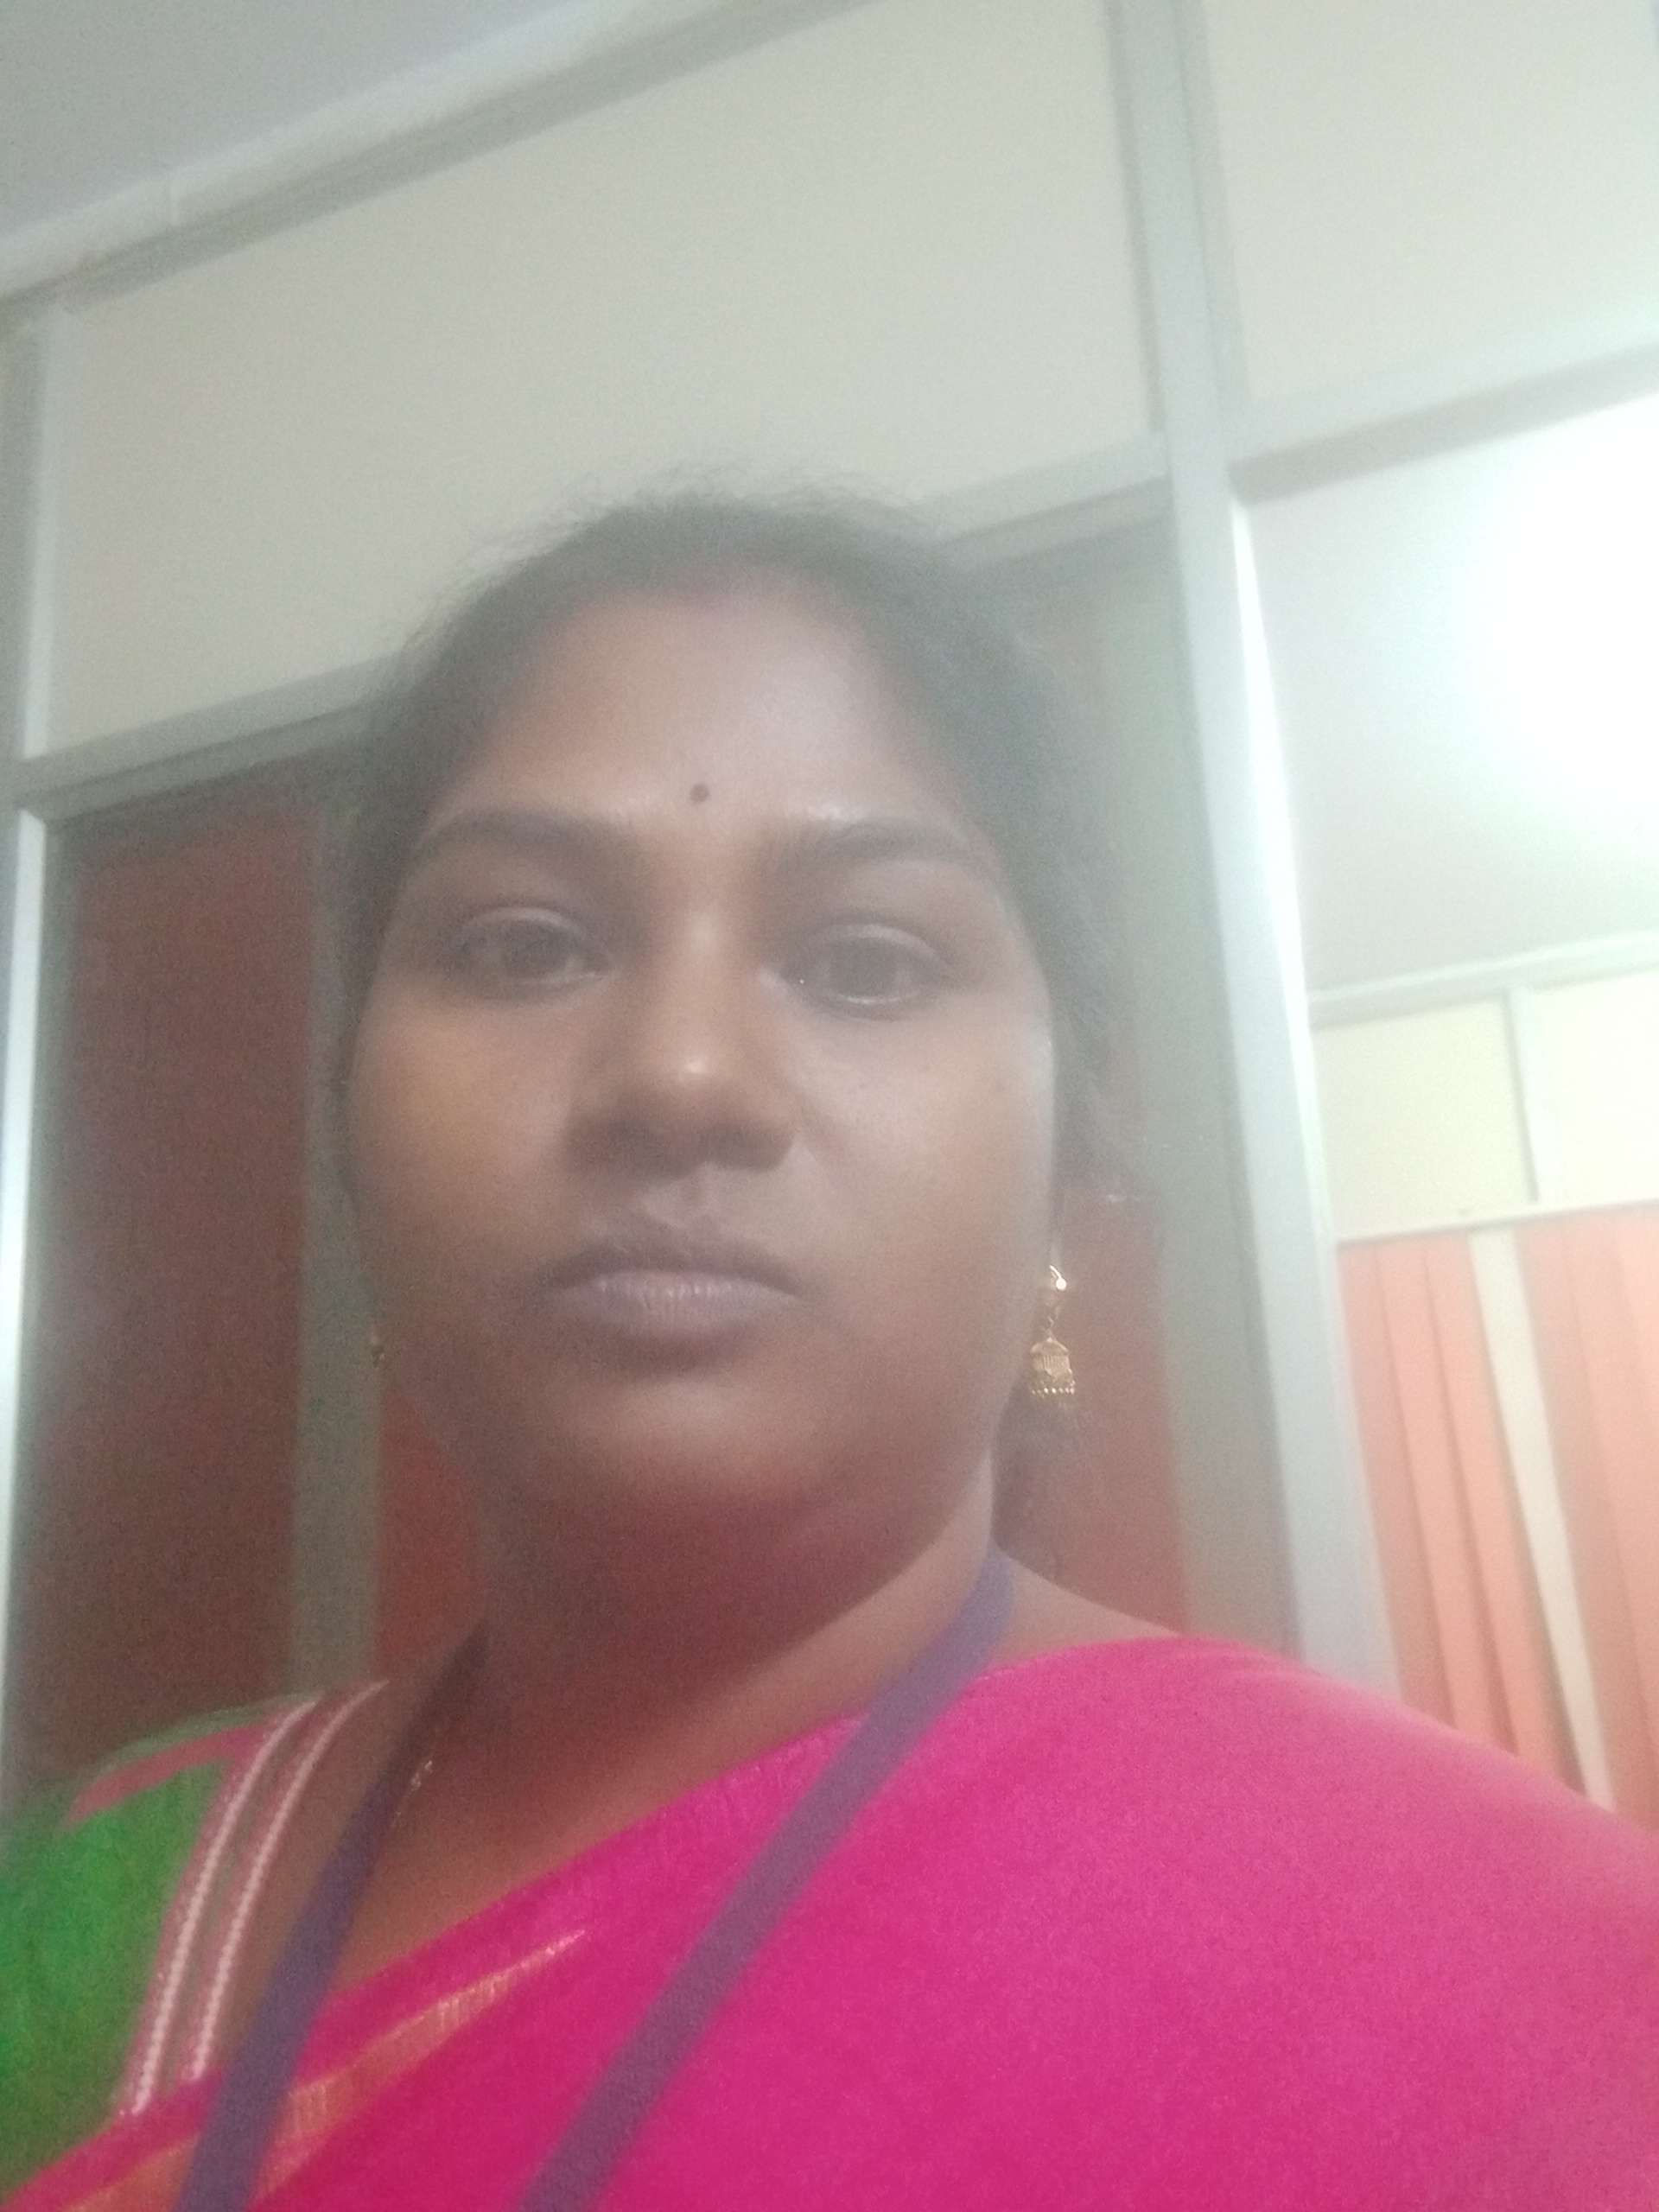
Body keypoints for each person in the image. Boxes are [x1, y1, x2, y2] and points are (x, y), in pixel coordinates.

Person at [2, 493, 1656, 2210]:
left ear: (1067, 1158)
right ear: (352, 1129)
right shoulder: (100, 1905)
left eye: (867, 960)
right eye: (523, 944)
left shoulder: (1469, 1974)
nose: (681, 1076)